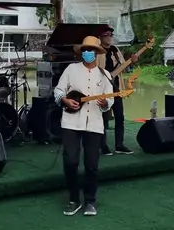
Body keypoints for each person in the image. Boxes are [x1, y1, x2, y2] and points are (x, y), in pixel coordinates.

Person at [54, 36, 114, 216]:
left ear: (96, 53)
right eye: (85, 50)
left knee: (92, 164)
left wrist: (105, 104)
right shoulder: (71, 69)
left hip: (94, 123)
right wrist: (65, 100)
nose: (88, 53)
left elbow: (109, 99)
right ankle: (74, 199)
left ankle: (90, 201)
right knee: (70, 161)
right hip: (71, 122)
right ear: (82, 52)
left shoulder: (105, 75)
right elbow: (58, 90)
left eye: (91, 50)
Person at [96, 27, 137, 155]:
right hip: (102, 90)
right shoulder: (97, 51)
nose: (109, 37)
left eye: (110, 34)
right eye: (106, 34)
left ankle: (119, 145)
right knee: (102, 119)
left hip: (116, 89)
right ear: (100, 37)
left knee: (120, 117)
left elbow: (123, 67)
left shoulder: (115, 50)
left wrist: (132, 62)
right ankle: (103, 146)